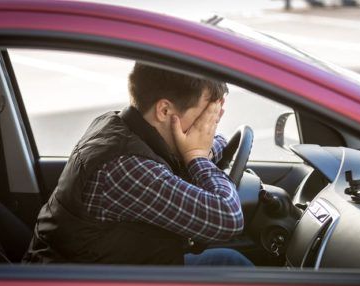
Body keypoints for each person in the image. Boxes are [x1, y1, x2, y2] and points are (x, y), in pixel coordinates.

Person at [23, 62, 252, 266]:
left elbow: (212, 141)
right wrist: (197, 156)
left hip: (115, 268)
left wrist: (201, 149)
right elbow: (228, 219)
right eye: (204, 116)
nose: (208, 125)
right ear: (164, 110)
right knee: (238, 271)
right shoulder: (125, 166)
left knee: (230, 262)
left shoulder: (118, 124)